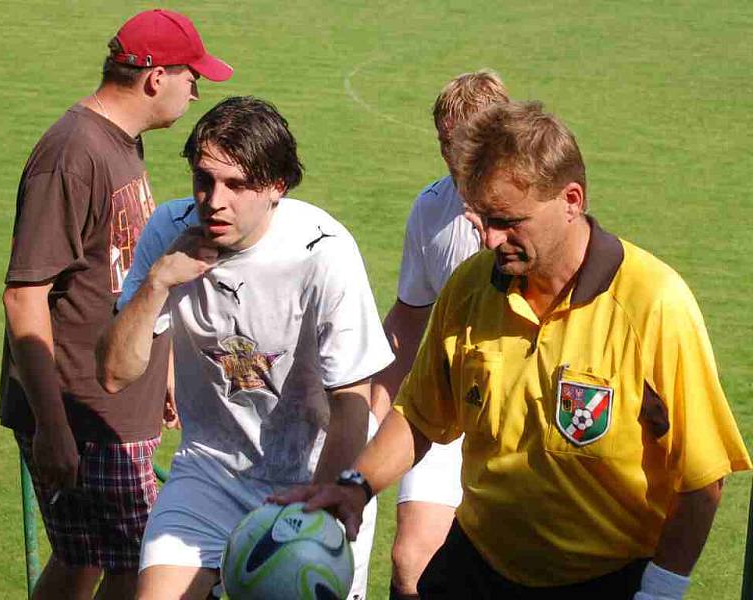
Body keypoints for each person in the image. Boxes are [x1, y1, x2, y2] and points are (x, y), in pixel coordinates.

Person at [274, 101, 752, 599]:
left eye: (506, 221)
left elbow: (702, 478)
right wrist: (357, 485)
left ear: (571, 199)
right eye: (479, 218)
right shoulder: (471, 287)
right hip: (478, 563)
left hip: (602, 580)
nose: (490, 238)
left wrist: (660, 592)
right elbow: (421, 417)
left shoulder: (653, 304)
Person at [96, 96, 394, 600]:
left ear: (277, 186)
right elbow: (114, 373)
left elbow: (352, 401)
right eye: (204, 179)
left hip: (313, 476)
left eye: (236, 185)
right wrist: (157, 283)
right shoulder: (169, 232)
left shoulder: (323, 251)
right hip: (208, 473)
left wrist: (324, 496)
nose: (214, 200)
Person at [0, 9, 232, 599]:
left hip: (112, 410)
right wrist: (53, 428)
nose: (196, 87)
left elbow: (119, 271)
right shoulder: (73, 155)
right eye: (191, 75)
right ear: (155, 78)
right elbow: (25, 297)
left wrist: (168, 369)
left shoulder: (119, 145)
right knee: (139, 570)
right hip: (86, 415)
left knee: (81, 562)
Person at [370, 69, 508, 600]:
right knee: (411, 565)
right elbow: (408, 317)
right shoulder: (431, 208)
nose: (450, 156)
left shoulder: (529, 213)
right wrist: (368, 406)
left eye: (461, 142)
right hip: (448, 408)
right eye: (443, 141)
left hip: (519, 414)